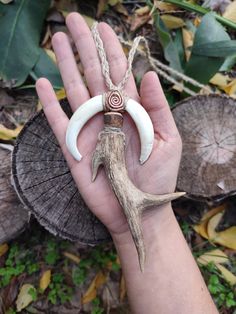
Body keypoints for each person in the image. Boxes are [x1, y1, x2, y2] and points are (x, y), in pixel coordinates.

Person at [36, 12, 218, 314]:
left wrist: (153, 220)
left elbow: (133, 135)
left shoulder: (121, 109)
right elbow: (78, 136)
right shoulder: (113, 107)